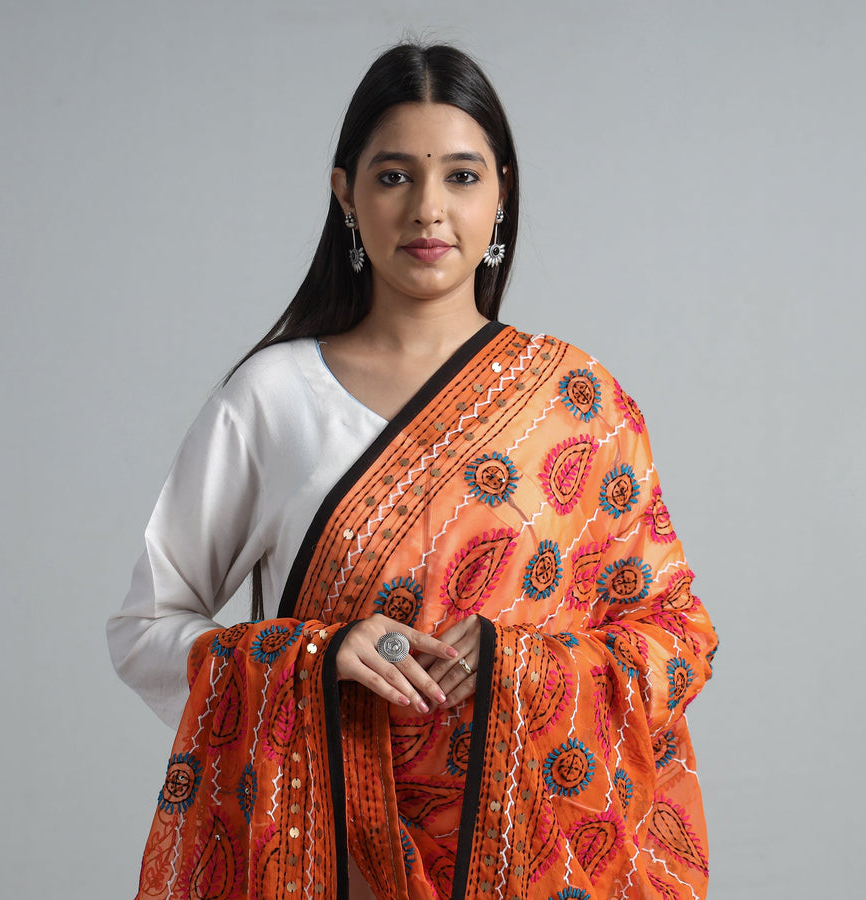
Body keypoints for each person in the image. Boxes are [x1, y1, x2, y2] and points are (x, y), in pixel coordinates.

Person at [108, 42, 717, 900]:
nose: (429, 208)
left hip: (532, 868)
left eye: (461, 176)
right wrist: (317, 657)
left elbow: (675, 636)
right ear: (344, 193)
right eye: (394, 176)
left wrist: (518, 667)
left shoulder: (577, 404)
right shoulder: (274, 398)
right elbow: (145, 629)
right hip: (329, 866)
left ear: (501, 192)